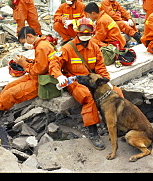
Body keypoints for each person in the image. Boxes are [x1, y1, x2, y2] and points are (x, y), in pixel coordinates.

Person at [49, 18, 126, 150]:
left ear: (92, 33)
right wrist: (59, 76)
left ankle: (120, 124)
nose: (85, 35)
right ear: (77, 32)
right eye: (82, 33)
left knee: (116, 92)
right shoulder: (67, 48)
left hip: (92, 79)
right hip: (75, 81)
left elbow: (100, 67)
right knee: (87, 97)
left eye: (88, 33)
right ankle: (93, 131)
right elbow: (54, 63)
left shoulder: (94, 47)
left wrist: (106, 81)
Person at [0, 26, 55, 124]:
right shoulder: (42, 44)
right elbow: (41, 64)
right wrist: (28, 61)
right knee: (9, 87)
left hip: (43, 81)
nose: (25, 45)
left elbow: (39, 70)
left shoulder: (42, 47)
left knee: (12, 93)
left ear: (29, 36)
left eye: (24, 42)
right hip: (36, 76)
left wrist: (24, 63)